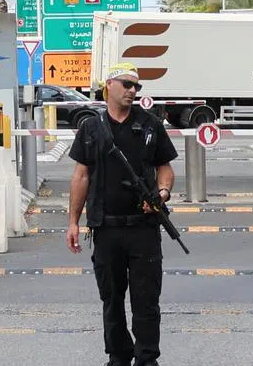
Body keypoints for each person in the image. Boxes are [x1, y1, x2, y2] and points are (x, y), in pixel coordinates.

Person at [67, 63, 177, 366]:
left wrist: (162, 194)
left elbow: (165, 168)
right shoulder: (91, 128)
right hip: (106, 229)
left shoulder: (150, 124)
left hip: (143, 229)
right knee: (111, 300)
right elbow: (81, 177)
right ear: (110, 86)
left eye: (137, 87)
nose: (133, 91)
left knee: (146, 301)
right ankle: (118, 357)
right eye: (127, 85)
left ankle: (146, 359)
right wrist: (73, 222)